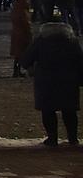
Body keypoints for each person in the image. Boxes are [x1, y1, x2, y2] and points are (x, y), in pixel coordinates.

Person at [18, 14, 83, 146]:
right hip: (69, 81)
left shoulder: (40, 41)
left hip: (45, 81)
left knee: (48, 110)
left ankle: (52, 138)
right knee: (69, 111)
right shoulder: (72, 42)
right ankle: (73, 138)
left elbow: (25, 60)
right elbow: (81, 62)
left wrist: (32, 69)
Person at [10, 0, 33, 78]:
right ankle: (26, 70)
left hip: (16, 34)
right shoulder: (23, 11)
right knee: (23, 53)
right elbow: (27, 25)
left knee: (18, 54)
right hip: (23, 35)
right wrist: (31, 35)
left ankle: (17, 71)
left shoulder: (15, 10)